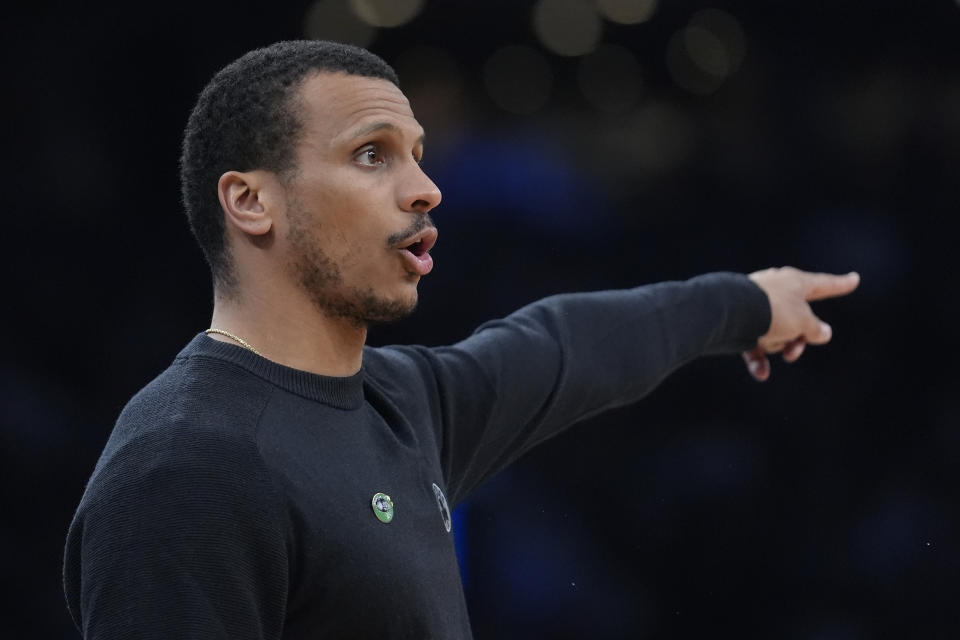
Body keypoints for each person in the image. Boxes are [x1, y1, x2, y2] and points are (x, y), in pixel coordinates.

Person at [62, 40, 859, 639]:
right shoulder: (183, 468)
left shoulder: (403, 403)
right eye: (371, 154)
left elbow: (566, 346)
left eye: (417, 153)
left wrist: (746, 302)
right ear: (250, 202)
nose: (425, 186)